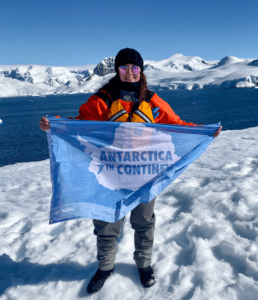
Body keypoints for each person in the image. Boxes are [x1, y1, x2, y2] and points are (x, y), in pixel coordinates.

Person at [40, 48, 222, 293]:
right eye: (124, 68)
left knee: (144, 222)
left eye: (134, 68)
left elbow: (176, 125)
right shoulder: (101, 101)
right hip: (109, 175)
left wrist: (202, 131)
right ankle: (105, 267)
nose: (129, 73)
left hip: (145, 175)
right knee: (106, 225)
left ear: (141, 70)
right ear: (117, 70)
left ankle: (144, 265)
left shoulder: (151, 100)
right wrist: (56, 124)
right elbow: (80, 125)